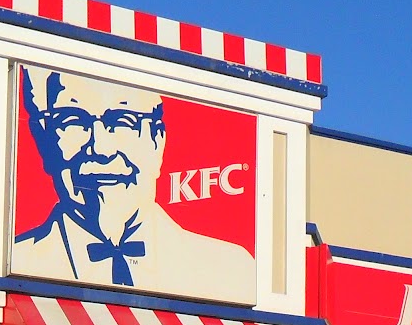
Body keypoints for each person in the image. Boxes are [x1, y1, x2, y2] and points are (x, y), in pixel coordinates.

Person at [14, 67, 257, 305]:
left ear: (157, 142)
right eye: (72, 121)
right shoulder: (21, 258)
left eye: (123, 121)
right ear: (42, 141)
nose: (101, 149)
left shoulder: (232, 271)